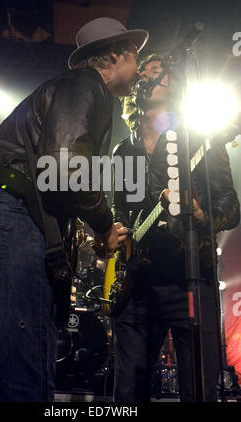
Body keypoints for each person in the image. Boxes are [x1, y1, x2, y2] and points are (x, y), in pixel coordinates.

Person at [0, 17, 148, 402]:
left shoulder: (59, 90)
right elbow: (68, 167)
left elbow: (50, 175)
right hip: (10, 226)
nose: (139, 70)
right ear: (115, 55)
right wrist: (104, 225)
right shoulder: (87, 85)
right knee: (26, 385)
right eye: (136, 56)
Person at [111, 52, 240, 402]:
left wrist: (201, 214)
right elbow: (119, 209)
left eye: (160, 71)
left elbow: (230, 204)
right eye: (146, 73)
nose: (151, 76)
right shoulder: (125, 150)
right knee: (127, 393)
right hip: (138, 285)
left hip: (190, 281)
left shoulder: (200, 141)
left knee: (197, 392)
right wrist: (115, 230)